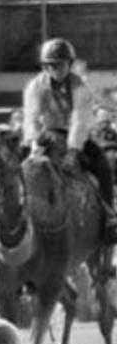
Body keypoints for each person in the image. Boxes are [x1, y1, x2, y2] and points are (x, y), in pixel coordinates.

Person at [22, 37, 117, 246]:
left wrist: (73, 151)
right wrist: (33, 143)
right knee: (13, 163)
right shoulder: (35, 86)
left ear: (69, 64)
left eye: (60, 64)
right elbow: (31, 117)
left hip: (74, 137)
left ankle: (109, 217)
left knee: (102, 165)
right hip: (45, 136)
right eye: (50, 64)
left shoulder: (81, 86)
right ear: (45, 66)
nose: (55, 68)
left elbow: (80, 120)